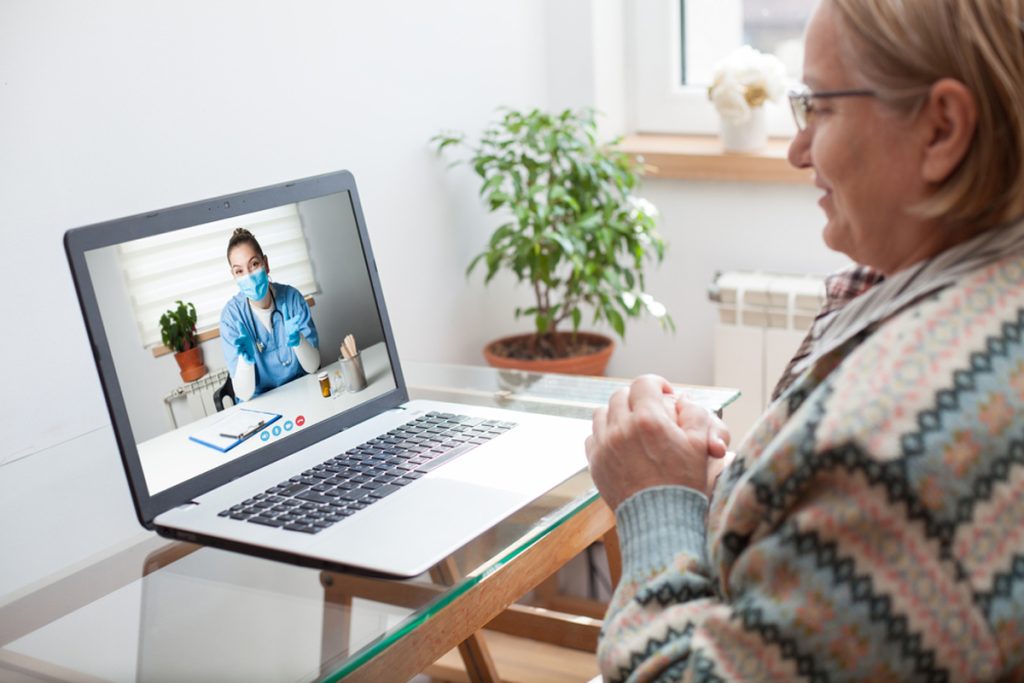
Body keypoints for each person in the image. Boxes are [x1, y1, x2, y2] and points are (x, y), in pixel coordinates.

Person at [586, 0, 1024, 680]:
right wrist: (732, 480)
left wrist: (658, 500)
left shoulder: (888, 448)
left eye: (819, 107)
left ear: (942, 128)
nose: (795, 149)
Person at [220, 227, 320, 401]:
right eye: (239, 271)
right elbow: (243, 394)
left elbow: (313, 366)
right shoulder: (231, 317)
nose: (249, 276)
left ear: (266, 263)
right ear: (233, 276)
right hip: (262, 404)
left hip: (302, 392)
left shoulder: (292, 299)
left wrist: (299, 341)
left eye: (254, 264)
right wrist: (246, 361)